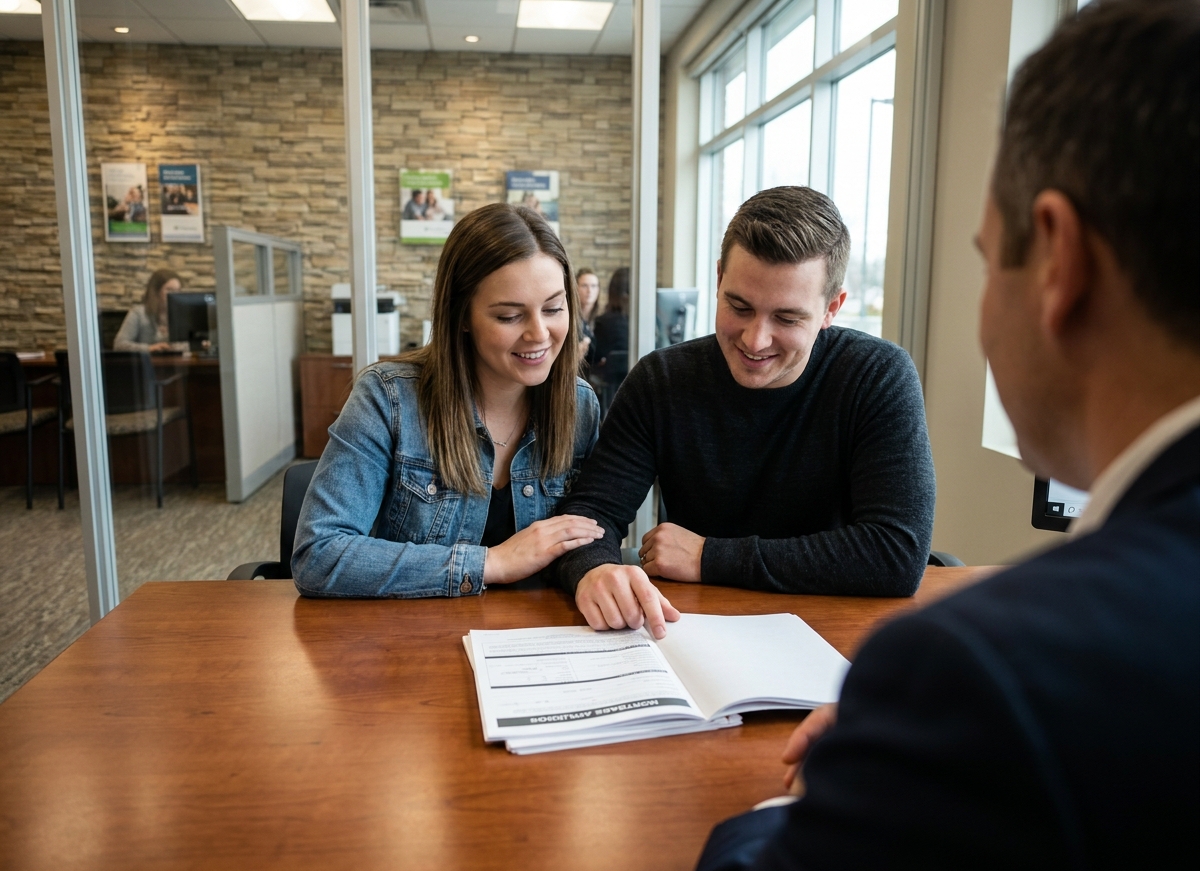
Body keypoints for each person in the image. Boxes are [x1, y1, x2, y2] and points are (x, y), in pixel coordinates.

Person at [683, 2, 1200, 871]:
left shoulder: (976, 673)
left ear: (1058, 261)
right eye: (739, 306)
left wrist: (803, 809)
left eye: (987, 256)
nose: (757, 335)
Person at [555, 188, 935, 638]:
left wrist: (708, 557)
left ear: (831, 308)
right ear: (719, 280)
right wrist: (594, 571)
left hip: (833, 633)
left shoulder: (877, 376)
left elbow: (895, 553)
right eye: (739, 307)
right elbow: (589, 516)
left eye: (788, 319)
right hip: (689, 631)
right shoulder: (662, 380)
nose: (755, 341)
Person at [291, 203, 603, 598]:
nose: (539, 333)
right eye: (509, 316)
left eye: (554, 308)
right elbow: (318, 556)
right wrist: (492, 563)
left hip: (536, 640)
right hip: (418, 641)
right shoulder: (388, 398)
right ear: (461, 316)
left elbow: (593, 534)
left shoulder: (579, 407)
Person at [113, 268, 182, 352]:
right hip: (145, 363)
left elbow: (188, 344)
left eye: (177, 290)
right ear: (157, 291)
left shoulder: (180, 314)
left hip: (176, 363)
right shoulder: (138, 313)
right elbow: (119, 345)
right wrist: (149, 348)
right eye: (169, 290)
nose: (174, 295)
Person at [575, 267, 601, 366]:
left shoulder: (601, 320)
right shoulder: (570, 319)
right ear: (576, 288)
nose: (589, 290)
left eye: (594, 286)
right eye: (584, 286)